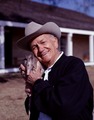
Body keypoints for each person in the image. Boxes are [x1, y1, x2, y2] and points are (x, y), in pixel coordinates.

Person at [17, 21, 93, 120]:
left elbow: (63, 106)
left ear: (55, 42)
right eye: (34, 47)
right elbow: (34, 110)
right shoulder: (40, 72)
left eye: (43, 42)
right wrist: (31, 93)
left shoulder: (73, 65)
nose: (40, 49)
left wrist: (37, 83)